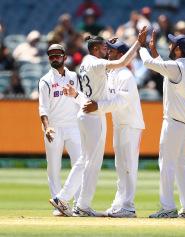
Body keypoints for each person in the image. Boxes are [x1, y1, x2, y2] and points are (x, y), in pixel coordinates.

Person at [49, 27, 147, 217]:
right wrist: (138, 43)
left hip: (85, 113)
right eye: (104, 48)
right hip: (94, 117)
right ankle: (77, 204)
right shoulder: (97, 64)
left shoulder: (86, 62)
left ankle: (68, 200)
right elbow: (122, 61)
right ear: (95, 49)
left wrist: (76, 95)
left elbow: (94, 92)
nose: (106, 51)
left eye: (108, 49)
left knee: (84, 160)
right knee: (92, 164)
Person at [139, 30, 185, 219]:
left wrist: (141, 46)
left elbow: (149, 64)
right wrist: (154, 51)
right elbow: (162, 65)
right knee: (180, 164)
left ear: (179, 49)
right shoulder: (184, 64)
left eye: (173, 44)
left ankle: (167, 207)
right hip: (183, 122)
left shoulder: (175, 67)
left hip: (173, 122)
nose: (170, 46)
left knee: (166, 164)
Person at [84, 40, 145, 218]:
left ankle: (128, 206)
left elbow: (120, 101)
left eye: (112, 50)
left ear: (121, 54)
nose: (108, 52)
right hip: (119, 124)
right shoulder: (111, 73)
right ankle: (119, 204)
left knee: (128, 166)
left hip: (131, 125)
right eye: (108, 49)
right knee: (120, 166)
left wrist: (98, 106)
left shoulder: (125, 75)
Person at [38, 44, 82, 216]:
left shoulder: (73, 76)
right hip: (54, 127)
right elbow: (43, 108)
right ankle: (60, 206)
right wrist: (47, 127)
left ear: (65, 57)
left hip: (73, 126)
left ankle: (79, 204)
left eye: (57, 55)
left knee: (79, 163)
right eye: (51, 56)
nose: (54, 58)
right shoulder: (45, 80)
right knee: (54, 167)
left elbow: (80, 99)